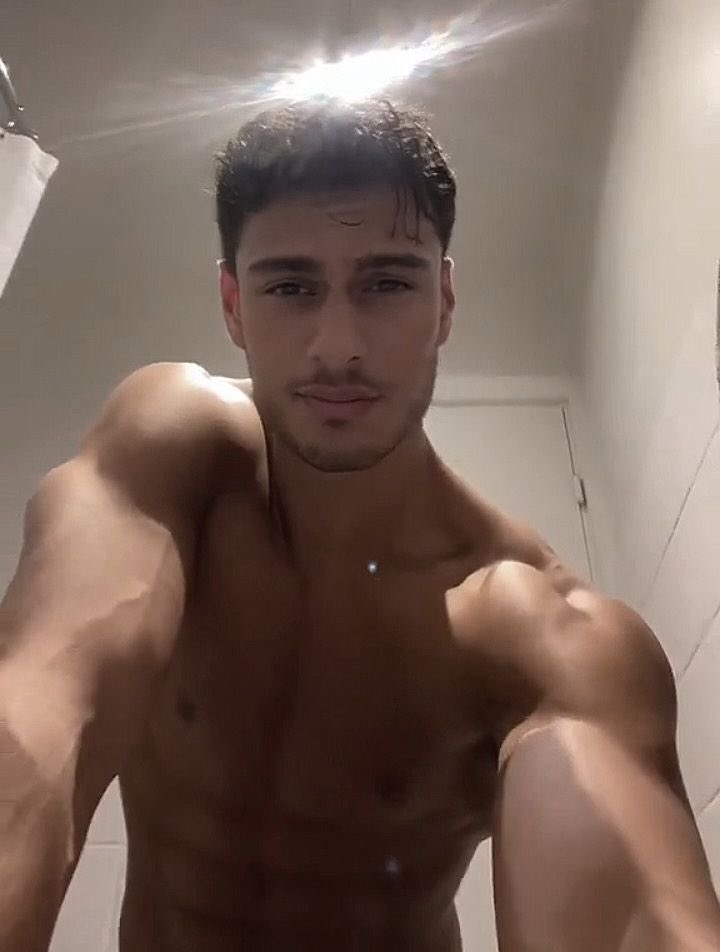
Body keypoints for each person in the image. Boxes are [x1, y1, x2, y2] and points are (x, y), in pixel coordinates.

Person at [1, 98, 719, 952]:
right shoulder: (173, 455)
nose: (337, 345)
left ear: (442, 300)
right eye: (291, 287)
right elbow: (37, 709)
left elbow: (637, 917)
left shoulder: (534, 629)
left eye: (386, 283)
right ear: (233, 305)